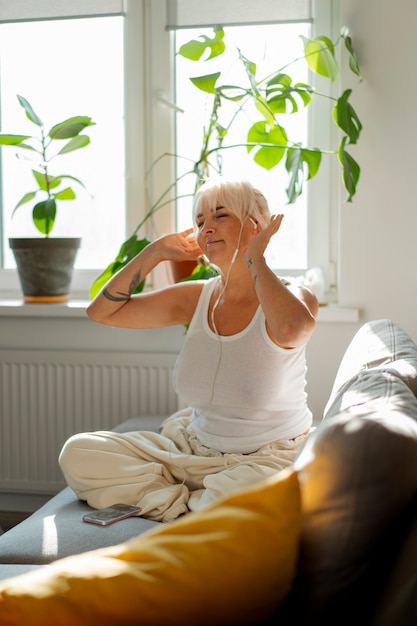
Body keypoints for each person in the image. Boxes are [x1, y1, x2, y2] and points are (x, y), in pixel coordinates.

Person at [59, 177, 319, 522]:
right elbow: (101, 312)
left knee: (251, 495)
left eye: (220, 216)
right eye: (200, 222)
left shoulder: (294, 297)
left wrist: (255, 255)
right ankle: (189, 502)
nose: (206, 228)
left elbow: (291, 328)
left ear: (255, 224)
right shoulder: (195, 297)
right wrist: (154, 253)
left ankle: (185, 501)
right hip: (191, 450)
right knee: (79, 452)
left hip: (262, 460)